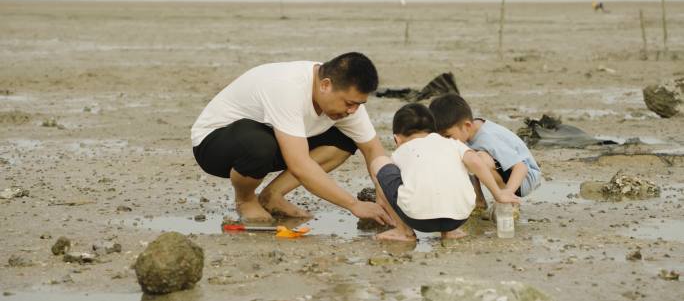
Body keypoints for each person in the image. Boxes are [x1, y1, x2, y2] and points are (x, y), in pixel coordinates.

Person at [191, 52, 393, 225]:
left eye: (359, 104)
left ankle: (272, 196)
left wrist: (386, 195)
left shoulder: (348, 105)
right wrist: (354, 205)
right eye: (349, 103)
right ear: (325, 85)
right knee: (258, 145)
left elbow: (373, 151)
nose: (353, 110)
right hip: (214, 144)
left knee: (346, 139)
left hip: (270, 137)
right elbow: (299, 165)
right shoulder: (287, 86)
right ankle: (245, 199)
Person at [371, 103, 520, 242]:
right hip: (458, 218)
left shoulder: (401, 150)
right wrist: (498, 194)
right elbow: (474, 161)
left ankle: (404, 231)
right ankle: (449, 232)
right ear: (434, 130)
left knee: (379, 162)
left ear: (396, 139)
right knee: (457, 167)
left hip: (418, 220)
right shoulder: (452, 144)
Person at [429, 93, 541, 209]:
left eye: (447, 136)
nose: (445, 141)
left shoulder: (488, 138)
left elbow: (521, 167)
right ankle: (479, 202)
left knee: (480, 158)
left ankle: (507, 203)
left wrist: (507, 193)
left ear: (467, 125)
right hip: (506, 171)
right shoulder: (466, 130)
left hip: (523, 179)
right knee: (466, 158)